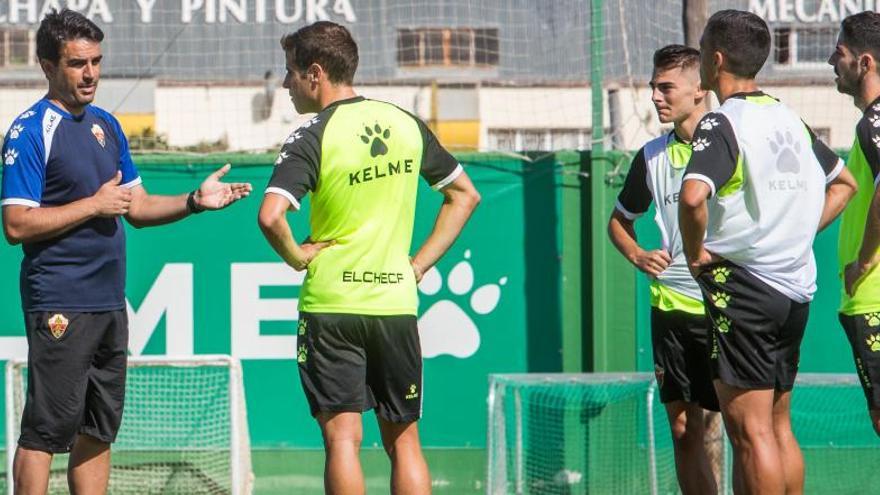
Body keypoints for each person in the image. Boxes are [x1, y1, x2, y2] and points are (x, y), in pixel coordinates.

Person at [0, 9, 251, 494]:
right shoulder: (30, 130)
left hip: (110, 303)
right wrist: (93, 205)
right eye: (78, 63)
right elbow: (16, 224)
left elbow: (135, 206)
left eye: (96, 61)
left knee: (98, 427)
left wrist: (194, 202)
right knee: (45, 433)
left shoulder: (106, 126)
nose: (91, 73)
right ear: (48, 66)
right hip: (60, 302)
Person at [257, 21, 480, 495]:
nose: (285, 84)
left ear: (314, 74)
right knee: (404, 439)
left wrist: (297, 257)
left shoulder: (311, 135)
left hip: (333, 304)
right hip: (394, 304)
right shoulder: (405, 123)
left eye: (290, 73)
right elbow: (465, 195)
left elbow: (270, 215)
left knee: (343, 439)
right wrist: (418, 267)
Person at [678, 10, 856, 495]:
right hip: (794, 289)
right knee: (777, 427)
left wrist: (695, 254)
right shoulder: (787, 116)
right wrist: (793, 234)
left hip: (747, 290)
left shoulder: (722, 120)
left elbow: (693, 196)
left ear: (715, 61)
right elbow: (843, 184)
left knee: (749, 433)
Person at [608, 44, 719, 495]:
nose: (655, 96)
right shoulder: (651, 156)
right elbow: (619, 222)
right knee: (683, 432)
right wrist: (636, 254)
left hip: (727, 307)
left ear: (700, 90)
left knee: (747, 428)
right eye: (653, 86)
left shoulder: (736, 142)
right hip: (671, 310)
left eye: (666, 86)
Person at [828, 11, 880, 437]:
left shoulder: (875, 122)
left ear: (865, 63)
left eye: (839, 52)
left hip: (875, 299)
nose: (831, 60)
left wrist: (863, 262)